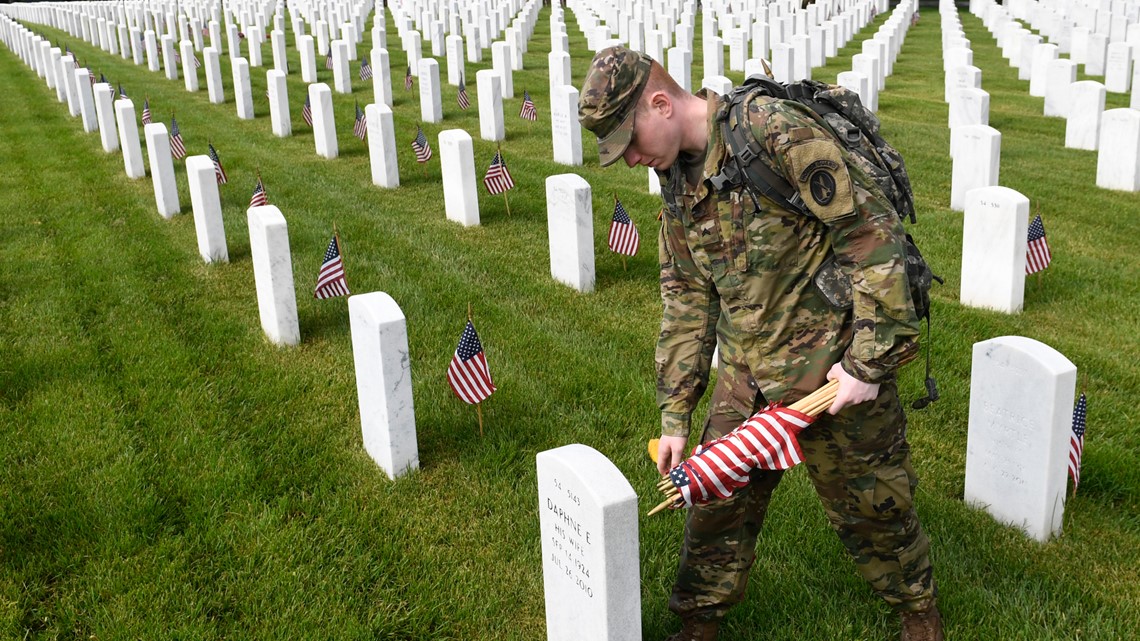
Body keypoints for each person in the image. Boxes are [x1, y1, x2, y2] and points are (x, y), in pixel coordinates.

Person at [578, 46, 943, 641]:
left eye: (630, 141)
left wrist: (868, 364)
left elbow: (872, 240)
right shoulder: (673, 182)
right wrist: (675, 415)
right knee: (716, 504)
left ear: (661, 103)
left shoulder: (772, 130)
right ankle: (698, 624)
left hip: (835, 369)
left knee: (875, 508)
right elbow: (687, 297)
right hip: (746, 371)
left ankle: (918, 613)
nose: (630, 160)